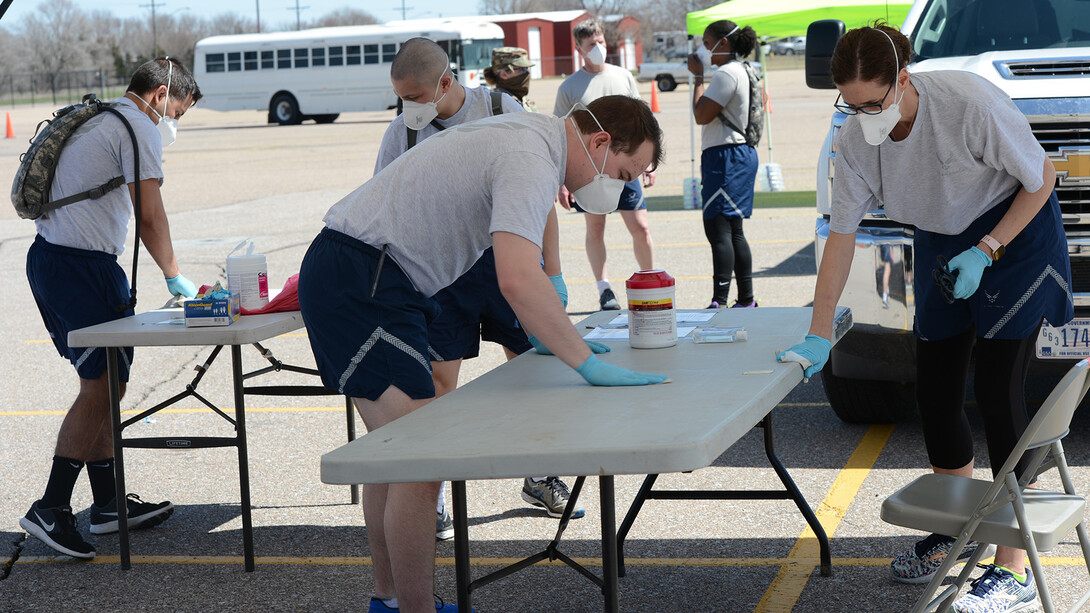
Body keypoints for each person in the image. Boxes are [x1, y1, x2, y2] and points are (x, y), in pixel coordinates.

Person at [299, 94, 668, 613]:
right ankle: (412, 609)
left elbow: (518, 265)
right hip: (364, 280)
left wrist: (548, 330)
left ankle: (389, 601)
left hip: (365, 274)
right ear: (601, 141)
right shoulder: (531, 155)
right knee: (419, 459)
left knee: (393, 455)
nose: (624, 186)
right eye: (626, 171)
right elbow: (517, 275)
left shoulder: (531, 137)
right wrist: (583, 360)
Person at [777, 23, 1071, 613]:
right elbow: (840, 237)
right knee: (935, 391)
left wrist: (987, 249)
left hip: (1013, 234)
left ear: (903, 79)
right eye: (849, 104)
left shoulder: (967, 104)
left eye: (872, 101)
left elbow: (1041, 181)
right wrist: (817, 331)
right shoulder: (858, 141)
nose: (862, 115)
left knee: (995, 389)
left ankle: (1010, 566)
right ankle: (957, 526)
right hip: (940, 239)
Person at [377, 38, 584, 543]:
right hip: (445, 273)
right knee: (438, 383)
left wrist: (551, 273)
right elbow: (384, 204)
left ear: (448, 83)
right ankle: (437, 496)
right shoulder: (400, 132)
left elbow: (539, 195)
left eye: (417, 95)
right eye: (401, 97)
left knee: (534, 369)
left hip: (508, 259)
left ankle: (539, 474)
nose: (410, 106)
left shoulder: (498, 108)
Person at [20, 57, 202, 560]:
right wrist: (172, 274)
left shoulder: (105, 119)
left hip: (62, 262)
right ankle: (52, 507)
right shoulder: (137, 124)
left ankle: (106, 505)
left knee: (108, 385)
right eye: (178, 113)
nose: (173, 124)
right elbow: (149, 213)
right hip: (79, 268)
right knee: (101, 385)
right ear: (161, 94)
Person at [554, 17, 655, 311]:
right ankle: (604, 290)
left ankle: (649, 280)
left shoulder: (623, 76)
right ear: (579, 49)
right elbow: (561, 132)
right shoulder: (570, 87)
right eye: (590, 44)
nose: (597, 48)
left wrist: (649, 162)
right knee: (595, 228)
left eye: (600, 42)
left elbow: (642, 121)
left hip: (626, 169)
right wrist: (563, 182)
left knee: (641, 226)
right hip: (590, 173)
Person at [687, 20, 760, 309]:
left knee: (717, 228)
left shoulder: (726, 73)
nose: (704, 51)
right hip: (740, 153)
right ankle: (746, 300)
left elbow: (701, 115)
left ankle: (720, 300)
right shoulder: (745, 69)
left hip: (726, 156)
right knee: (734, 229)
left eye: (707, 44)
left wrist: (697, 78)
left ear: (724, 43)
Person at [483, 46, 537, 111]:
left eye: (526, 68)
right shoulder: (498, 103)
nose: (526, 73)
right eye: (521, 69)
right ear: (504, 74)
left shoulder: (523, 99)